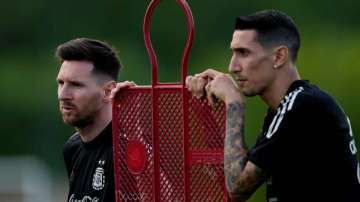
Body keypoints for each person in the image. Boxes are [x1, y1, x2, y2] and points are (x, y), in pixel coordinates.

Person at [186, 10, 360, 202]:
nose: (232, 67)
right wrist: (207, 111)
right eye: (233, 53)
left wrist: (234, 102)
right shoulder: (283, 110)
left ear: (279, 56)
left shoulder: (304, 106)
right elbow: (230, 177)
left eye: (243, 53)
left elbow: (236, 189)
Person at [56, 38, 134, 202]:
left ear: (108, 92)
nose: (63, 95)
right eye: (61, 83)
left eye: (76, 85)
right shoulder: (72, 147)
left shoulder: (128, 148)